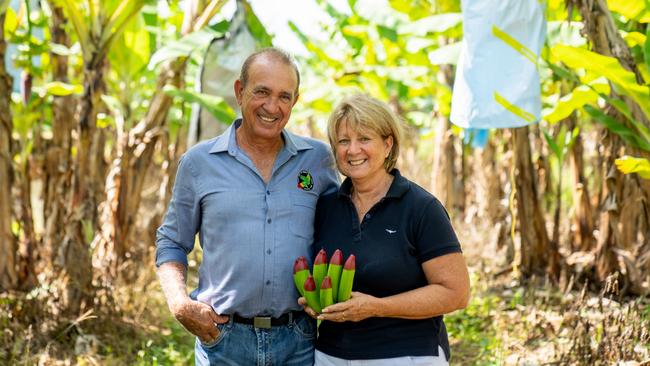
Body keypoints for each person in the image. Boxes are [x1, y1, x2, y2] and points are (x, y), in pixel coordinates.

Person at [155, 47, 339, 365]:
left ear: (295, 101)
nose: (272, 106)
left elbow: (340, 230)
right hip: (224, 340)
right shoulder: (199, 163)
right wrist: (179, 303)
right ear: (240, 91)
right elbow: (172, 241)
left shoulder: (318, 160)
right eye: (262, 92)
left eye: (284, 96)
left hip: (299, 340)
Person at [301, 94, 470, 365]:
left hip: (406, 354)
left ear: (388, 144)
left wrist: (377, 308)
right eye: (343, 141)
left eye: (364, 139)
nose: (352, 150)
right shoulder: (326, 206)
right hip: (331, 355)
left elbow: (456, 293)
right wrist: (315, 301)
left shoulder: (421, 208)